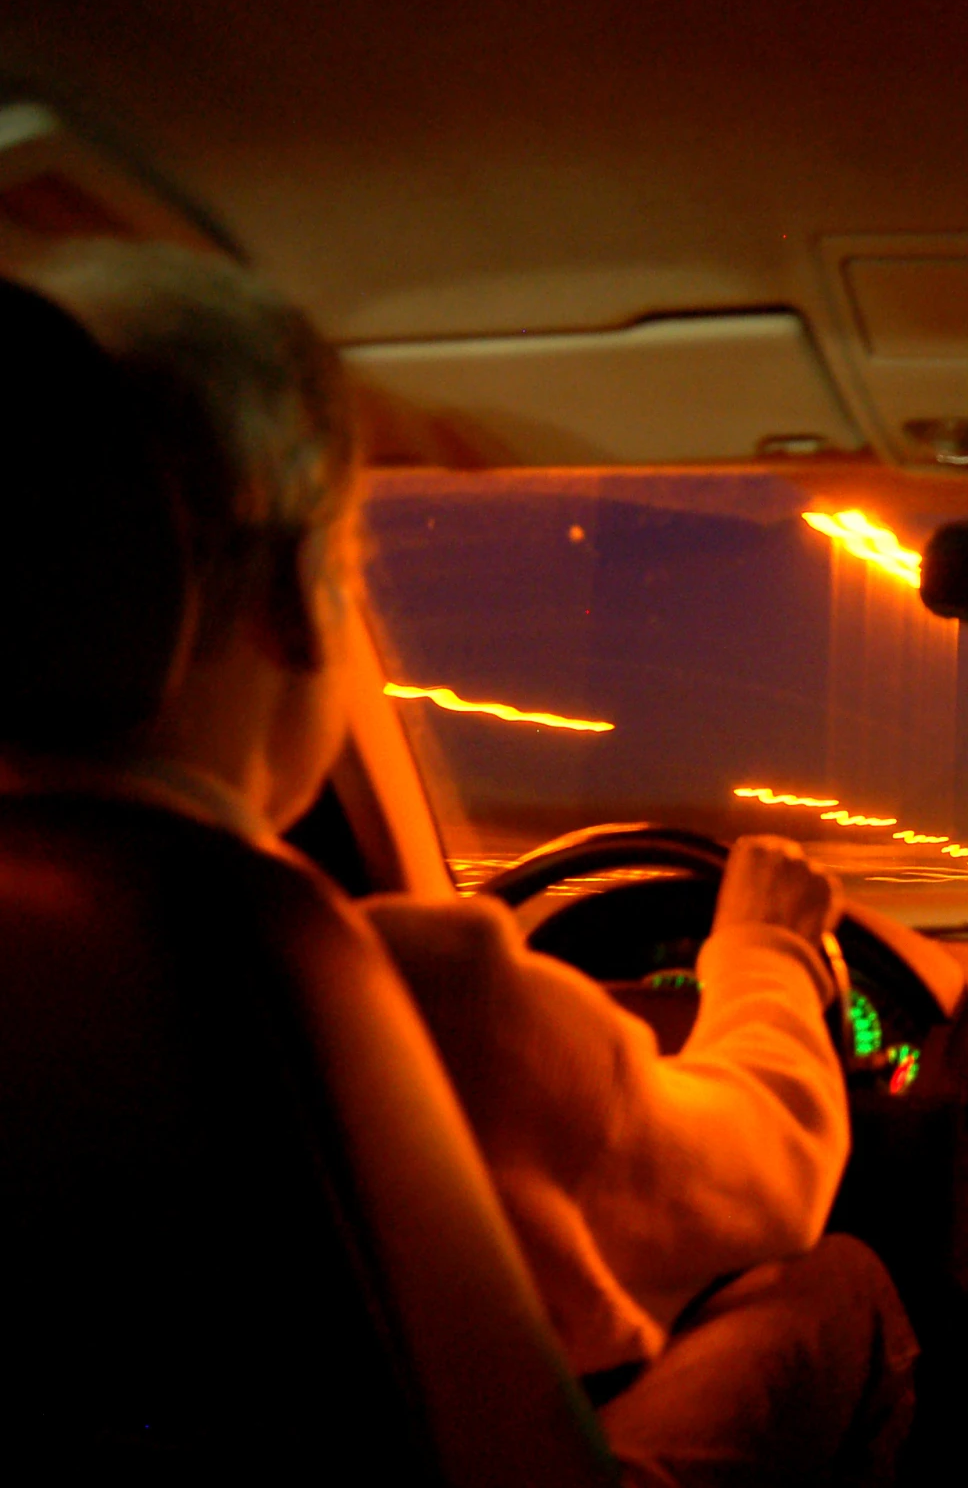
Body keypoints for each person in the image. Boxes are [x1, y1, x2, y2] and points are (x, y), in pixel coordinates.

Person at [0, 240, 915, 1486]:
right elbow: (772, 1168)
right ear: (295, 597)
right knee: (833, 1283)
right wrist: (760, 954)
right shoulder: (394, 995)